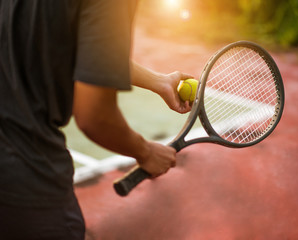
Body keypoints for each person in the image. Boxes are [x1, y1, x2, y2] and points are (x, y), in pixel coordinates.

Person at [0, 0, 191, 239]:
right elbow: (95, 117)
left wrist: (157, 81)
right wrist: (146, 153)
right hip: (24, 172)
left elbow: (67, 46)